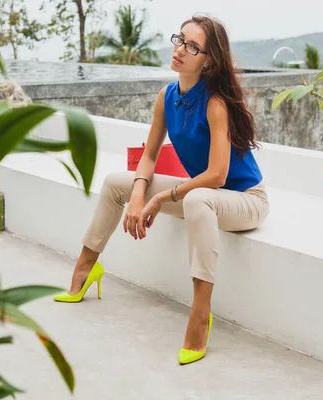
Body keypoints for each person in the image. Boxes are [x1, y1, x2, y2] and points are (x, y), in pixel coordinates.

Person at [53, 13, 270, 366]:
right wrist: (139, 193)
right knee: (115, 183)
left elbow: (217, 175)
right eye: (179, 39)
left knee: (199, 198)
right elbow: (150, 153)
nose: (180, 49)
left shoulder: (216, 104)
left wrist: (159, 197)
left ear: (208, 60)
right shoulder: (167, 96)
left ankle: (201, 313)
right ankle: (85, 269)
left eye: (192, 46)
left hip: (245, 201)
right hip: (202, 197)